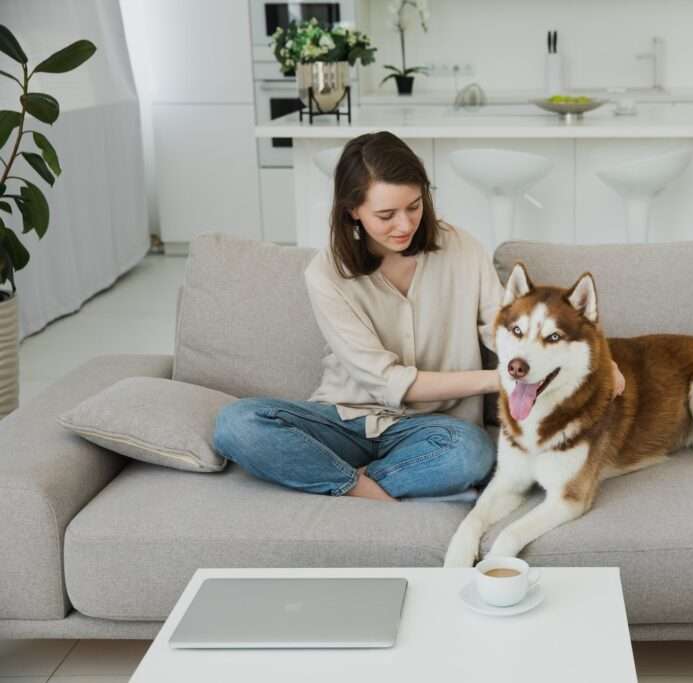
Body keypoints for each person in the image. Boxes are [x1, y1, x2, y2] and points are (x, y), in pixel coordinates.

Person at [213, 131, 624, 502]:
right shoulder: (325, 274)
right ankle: (361, 487)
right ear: (353, 211)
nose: (405, 224)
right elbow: (386, 381)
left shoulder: (461, 250)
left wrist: (598, 365)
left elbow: (506, 329)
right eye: (386, 215)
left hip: (437, 430)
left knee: (471, 454)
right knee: (236, 424)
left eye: (414, 206)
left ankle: (335, 481)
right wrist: (497, 379)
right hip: (345, 420)